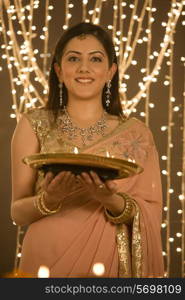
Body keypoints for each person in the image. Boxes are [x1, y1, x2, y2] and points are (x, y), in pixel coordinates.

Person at [11, 22, 164, 278]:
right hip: (46, 261)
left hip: (109, 263)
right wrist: (49, 199)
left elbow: (151, 211)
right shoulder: (33, 124)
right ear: (59, 71)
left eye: (95, 59)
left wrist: (109, 199)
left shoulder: (136, 134)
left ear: (110, 71)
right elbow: (17, 213)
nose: (84, 68)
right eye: (73, 58)